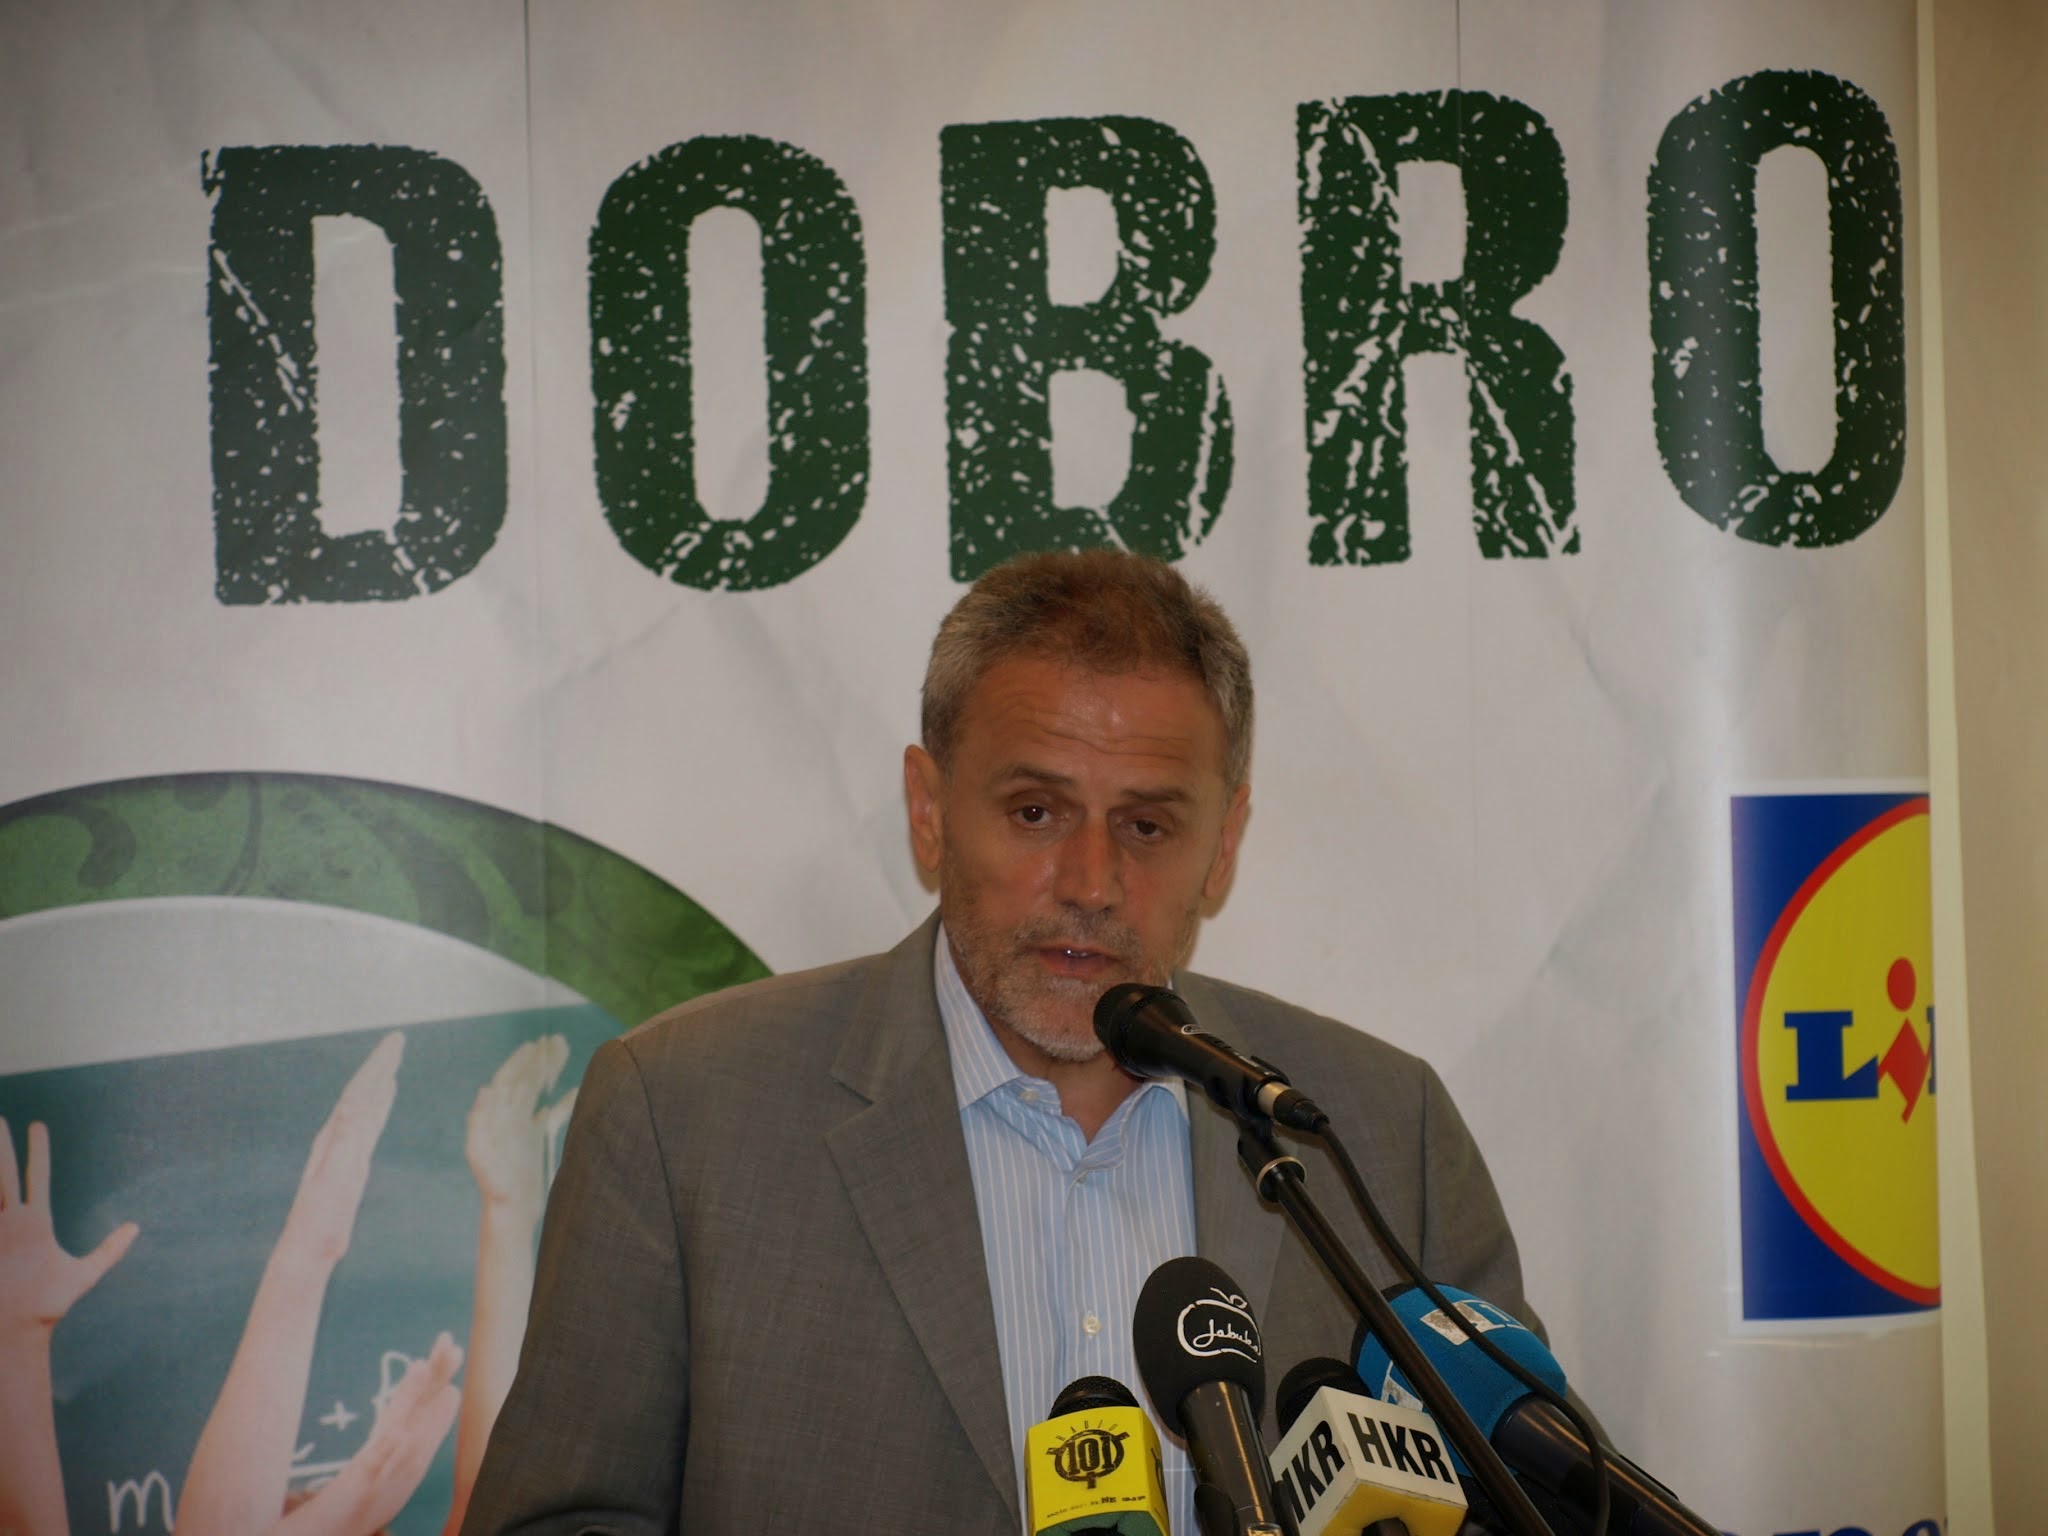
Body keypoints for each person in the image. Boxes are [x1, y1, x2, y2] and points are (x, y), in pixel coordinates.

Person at [460, 550, 1537, 1535]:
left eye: (1147, 826)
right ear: (928, 811)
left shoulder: (1378, 1134)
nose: (1090, 884)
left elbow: (1519, 1503)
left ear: (1223, 846)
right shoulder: (682, 1115)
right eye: (1034, 812)